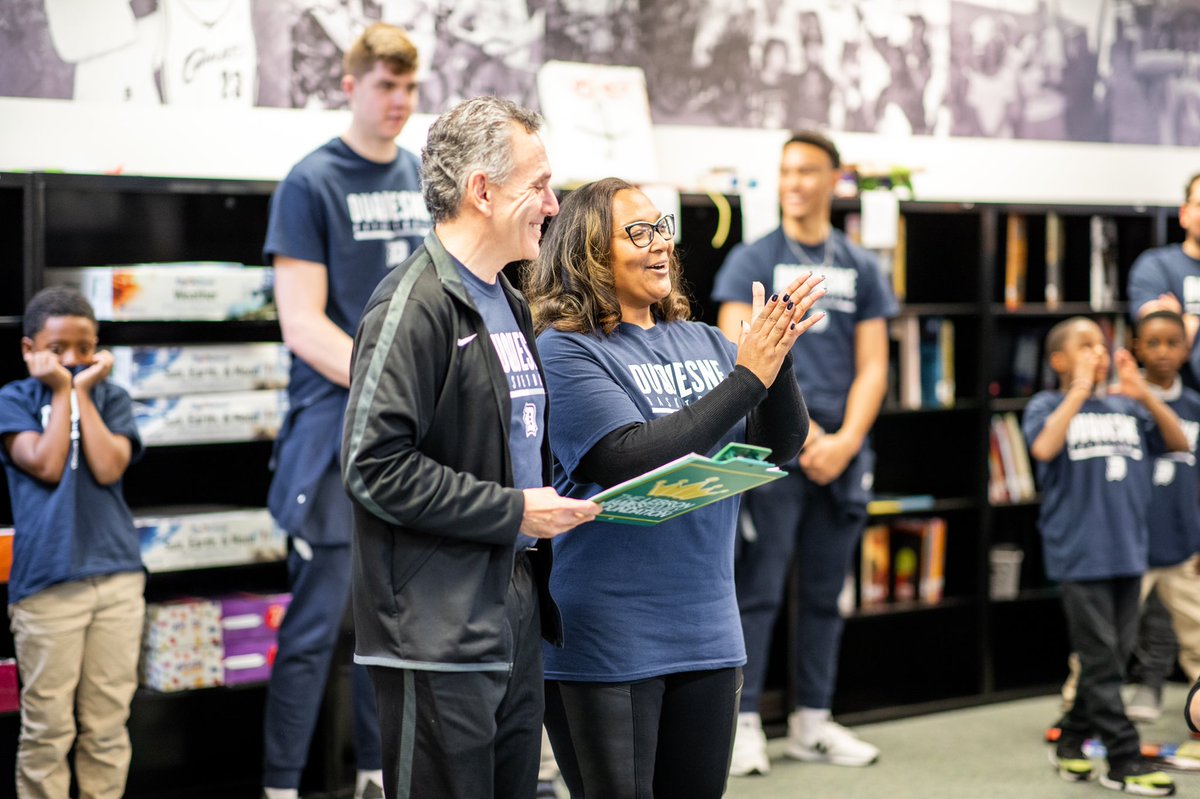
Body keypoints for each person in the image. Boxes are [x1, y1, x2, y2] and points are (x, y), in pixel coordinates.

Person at [524, 176, 820, 799]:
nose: (660, 244)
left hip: (709, 630)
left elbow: (776, 447)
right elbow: (627, 457)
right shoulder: (564, 350)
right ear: (586, 250)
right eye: (639, 232)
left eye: (663, 228)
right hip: (608, 637)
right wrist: (748, 376)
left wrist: (779, 356)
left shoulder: (708, 341)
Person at [340, 96, 600, 799]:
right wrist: (513, 508)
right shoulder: (412, 305)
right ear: (481, 191)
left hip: (509, 602)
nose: (553, 203)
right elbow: (372, 466)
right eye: (538, 185)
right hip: (434, 628)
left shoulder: (509, 300)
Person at [261, 22, 429, 799]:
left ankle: (374, 775)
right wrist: (391, 380)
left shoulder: (422, 176)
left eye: (408, 87)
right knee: (315, 629)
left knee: (387, 624)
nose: (397, 101)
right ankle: (282, 786)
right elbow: (302, 324)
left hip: (407, 433)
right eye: (384, 85)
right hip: (332, 431)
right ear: (349, 85)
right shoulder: (311, 180)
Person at [711, 130, 896, 776]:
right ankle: (741, 724)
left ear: (833, 179)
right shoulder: (751, 259)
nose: (794, 182)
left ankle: (812, 721)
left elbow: (874, 365)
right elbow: (739, 354)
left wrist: (844, 442)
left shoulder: (861, 265)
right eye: (786, 171)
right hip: (773, 449)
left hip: (845, 454)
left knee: (824, 593)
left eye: (807, 170)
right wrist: (808, 434)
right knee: (756, 590)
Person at [1026, 316, 1187, 796]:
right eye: (1084, 345)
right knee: (1101, 661)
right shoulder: (1048, 404)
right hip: (1079, 555)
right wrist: (1076, 392)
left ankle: (1072, 740)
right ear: (1058, 361)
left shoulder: (1129, 407)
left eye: (1102, 343)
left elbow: (1179, 443)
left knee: (1110, 657)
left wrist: (1144, 396)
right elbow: (1043, 447)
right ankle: (1123, 758)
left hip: (1129, 552)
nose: (1098, 351)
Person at [0, 286, 145, 799]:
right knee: (47, 732)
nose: (71, 359)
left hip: (118, 580)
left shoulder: (112, 398)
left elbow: (108, 467)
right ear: (28, 350)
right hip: (47, 586)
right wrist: (63, 393)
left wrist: (81, 393)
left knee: (107, 727)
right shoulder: (14, 400)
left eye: (85, 348)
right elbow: (46, 462)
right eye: (57, 348)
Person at [1125, 310, 1200, 720]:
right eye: (1152, 343)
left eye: (1173, 342)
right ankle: (1077, 716)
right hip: (1130, 546)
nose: (1163, 352)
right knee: (1105, 639)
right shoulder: (1120, 405)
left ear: (1187, 349)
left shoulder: (1195, 407)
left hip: (1183, 547)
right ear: (1136, 347)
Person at [1127, 173, 1200, 388]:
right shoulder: (1155, 266)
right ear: (1184, 213)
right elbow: (1156, 332)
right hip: (1172, 402)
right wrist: (1178, 326)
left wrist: (1185, 320)